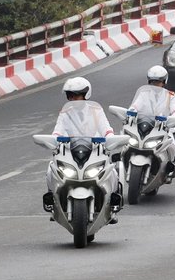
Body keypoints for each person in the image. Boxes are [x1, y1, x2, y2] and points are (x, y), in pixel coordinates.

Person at [45, 77, 120, 220]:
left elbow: (105, 127)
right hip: (70, 150)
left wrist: (110, 136)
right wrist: (53, 139)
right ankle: (53, 204)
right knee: (50, 169)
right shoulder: (65, 112)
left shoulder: (96, 109)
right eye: (70, 95)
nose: (73, 98)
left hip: (94, 149)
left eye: (77, 95)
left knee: (112, 171)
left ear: (86, 95)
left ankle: (113, 206)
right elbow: (58, 130)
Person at [128, 65, 175, 171]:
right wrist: (131, 112)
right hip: (144, 126)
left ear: (164, 82)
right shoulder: (143, 94)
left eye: (158, 82)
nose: (155, 85)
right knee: (127, 140)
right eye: (153, 82)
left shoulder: (170, 96)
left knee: (172, 144)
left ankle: (172, 165)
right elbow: (135, 106)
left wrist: (173, 120)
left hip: (163, 128)